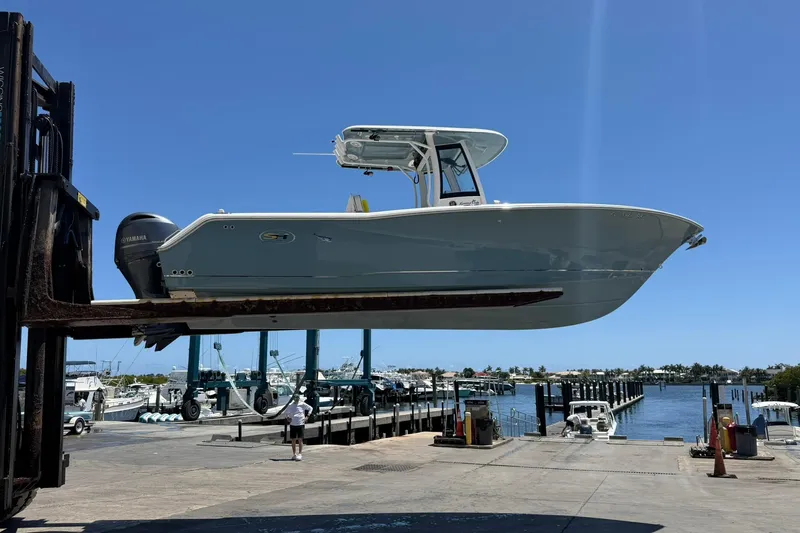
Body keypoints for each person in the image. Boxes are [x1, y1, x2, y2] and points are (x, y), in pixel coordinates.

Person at [284, 394, 312, 461]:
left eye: (297, 398)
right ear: (293, 398)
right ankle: (294, 454)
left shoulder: (302, 404)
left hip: (300, 423)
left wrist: (307, 416)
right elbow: (285, 412)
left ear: (299, 398)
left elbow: (310, 408)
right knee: (293, 440)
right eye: (295, 398)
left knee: (300, 439)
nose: (296, 399)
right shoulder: (290, 405)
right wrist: (288, 418)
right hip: (293, 424)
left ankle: (300, 454)